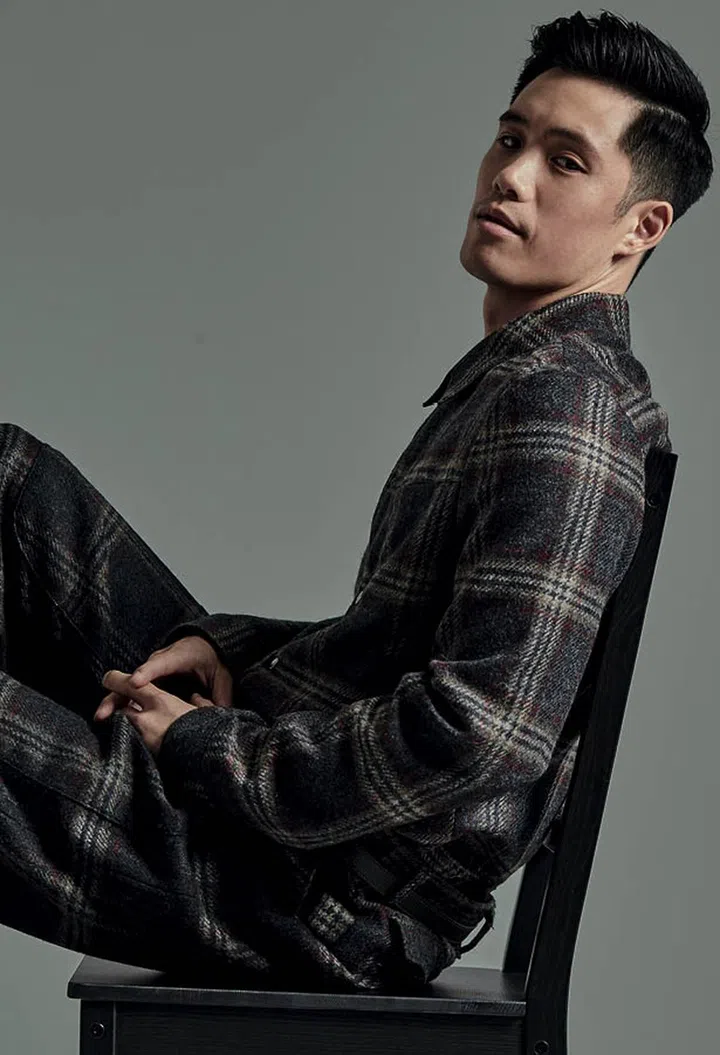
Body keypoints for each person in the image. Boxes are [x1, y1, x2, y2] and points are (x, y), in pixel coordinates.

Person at [0, 12, 712, 994]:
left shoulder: (567, 406)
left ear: (641, 227)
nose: (511, 176)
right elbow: (394, 648)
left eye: (565, 161)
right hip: (302, 807)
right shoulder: (527, 377)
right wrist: (229, 649)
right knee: (14, 481)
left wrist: (208, 746)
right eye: (510, 139)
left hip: (319, 890)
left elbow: (482, 733)